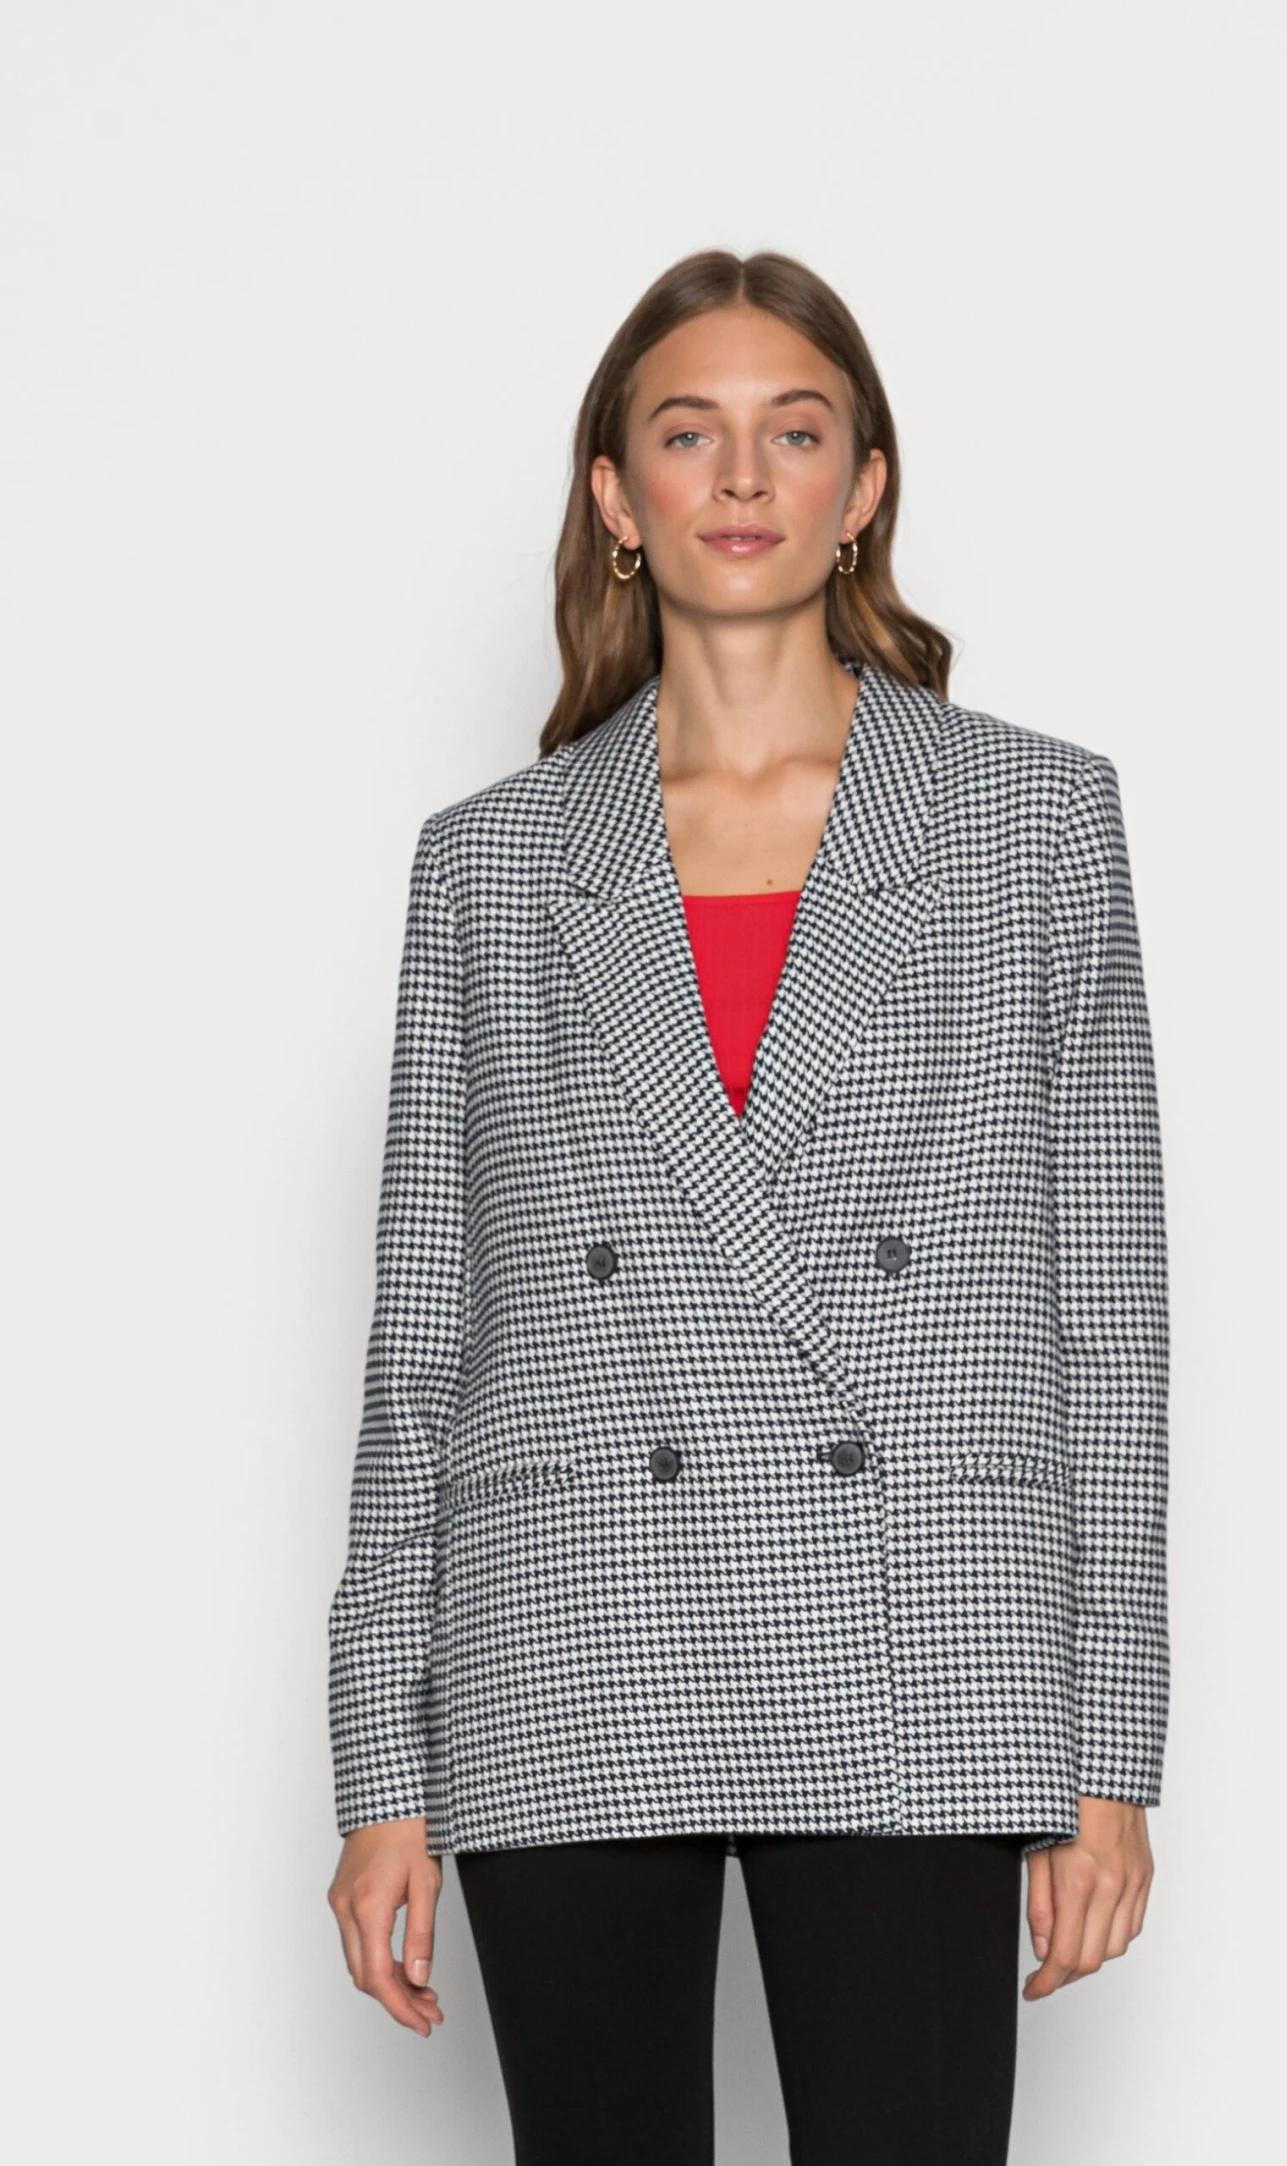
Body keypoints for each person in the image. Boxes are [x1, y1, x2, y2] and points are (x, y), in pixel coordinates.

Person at [326, 247, 1170, 2165]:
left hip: (918, 1620)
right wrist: (384, 1760)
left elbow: (1106, 1317)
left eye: (794, 433)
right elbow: (423, 1331)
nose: (740, 477)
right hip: (572, 1621)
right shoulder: (490, 864)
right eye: (686, 433)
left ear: (864, 485)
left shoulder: (1032, 821)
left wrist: (1108, 1749)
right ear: (616, 494)